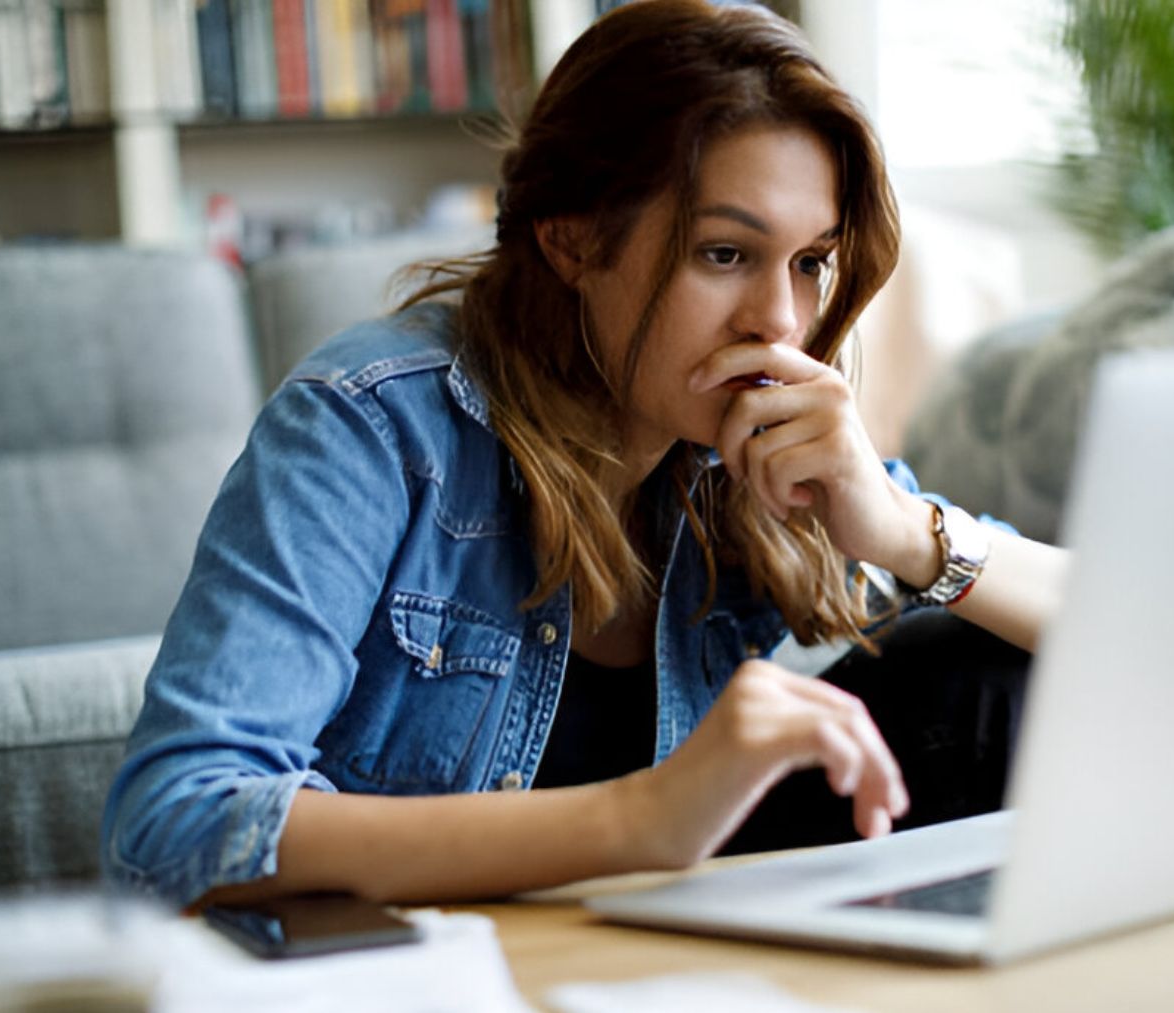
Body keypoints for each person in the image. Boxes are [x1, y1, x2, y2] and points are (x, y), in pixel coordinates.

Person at [101, 0, 1070, 911]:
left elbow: (1121, 632)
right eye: (724, 254)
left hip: (655, 942)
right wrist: (644, 815)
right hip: (431, 966)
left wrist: (905, 532)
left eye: (810, 261)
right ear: (573, 238)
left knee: (993, 667)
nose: (779, 318)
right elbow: (176, 818)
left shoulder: (742, 445)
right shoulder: (373, 422)